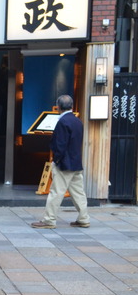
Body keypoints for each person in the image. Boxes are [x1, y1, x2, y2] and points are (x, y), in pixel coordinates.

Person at [31, 94, 90, 229]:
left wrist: (56, 159)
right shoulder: (77, 121)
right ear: (71, 106)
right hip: (76, 162)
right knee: (78, 193)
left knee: (56, 192)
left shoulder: (63, 122)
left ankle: (49, 220)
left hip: (64, 163)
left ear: (58, 107)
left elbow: (60, 145)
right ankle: (84, 218)